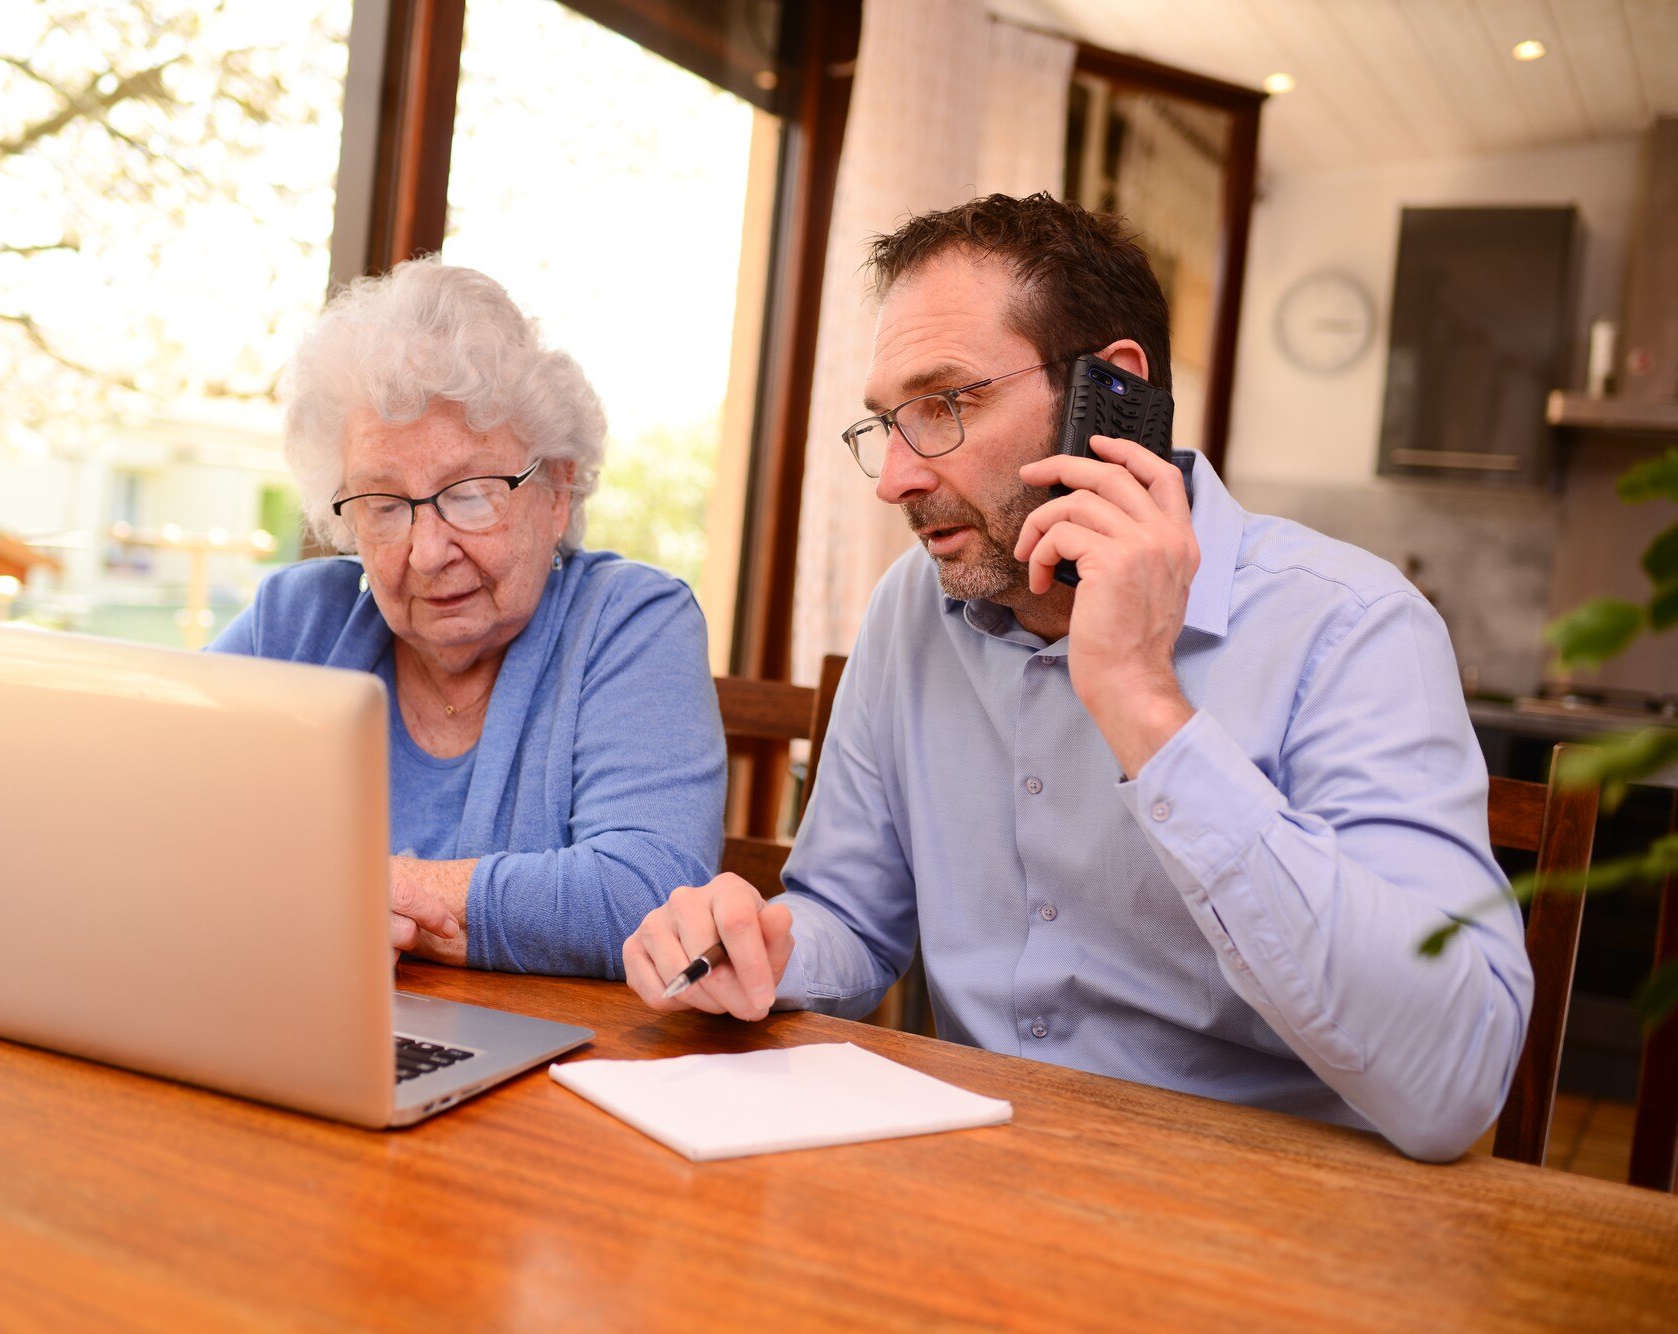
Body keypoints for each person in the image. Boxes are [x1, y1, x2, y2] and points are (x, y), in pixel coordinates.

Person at [622, 193, 1532, 1161]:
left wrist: (1143, 702)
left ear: (1111, 392)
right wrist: (756, 945)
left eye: (943, 404)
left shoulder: (1349, 626)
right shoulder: (910, 607)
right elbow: (848, 912)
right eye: (885, 422)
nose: (892, 477)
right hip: (970, 1182)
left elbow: (1452, 1083)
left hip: (1263, 1222)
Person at [212, 257, 726, 979]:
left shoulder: (631, 621)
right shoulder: (296, 624)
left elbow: (647, 894)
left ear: (557, 489)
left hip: (547, 1068)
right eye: (385, 507)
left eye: (470, 493)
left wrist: (356, 890)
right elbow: (150, 810)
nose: (426, 552)